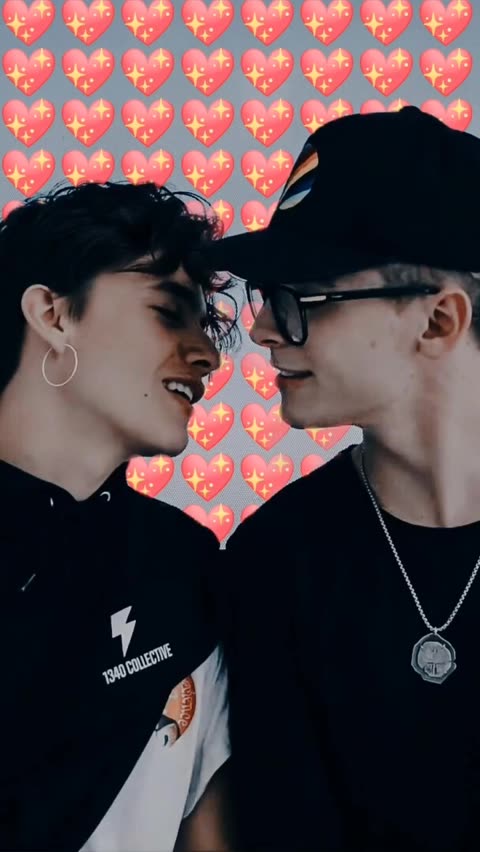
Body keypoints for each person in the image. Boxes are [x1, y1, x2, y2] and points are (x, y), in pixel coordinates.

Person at [203, 106, 480, 851]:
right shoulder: (274, 559)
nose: (262, 328)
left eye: (300, 297)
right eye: (265, 296)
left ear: (438, 321)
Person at [0, 181, 238, 852]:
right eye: (167, 311)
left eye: (206, 325)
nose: (207, 355)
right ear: (52, 314)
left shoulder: (184, 564)